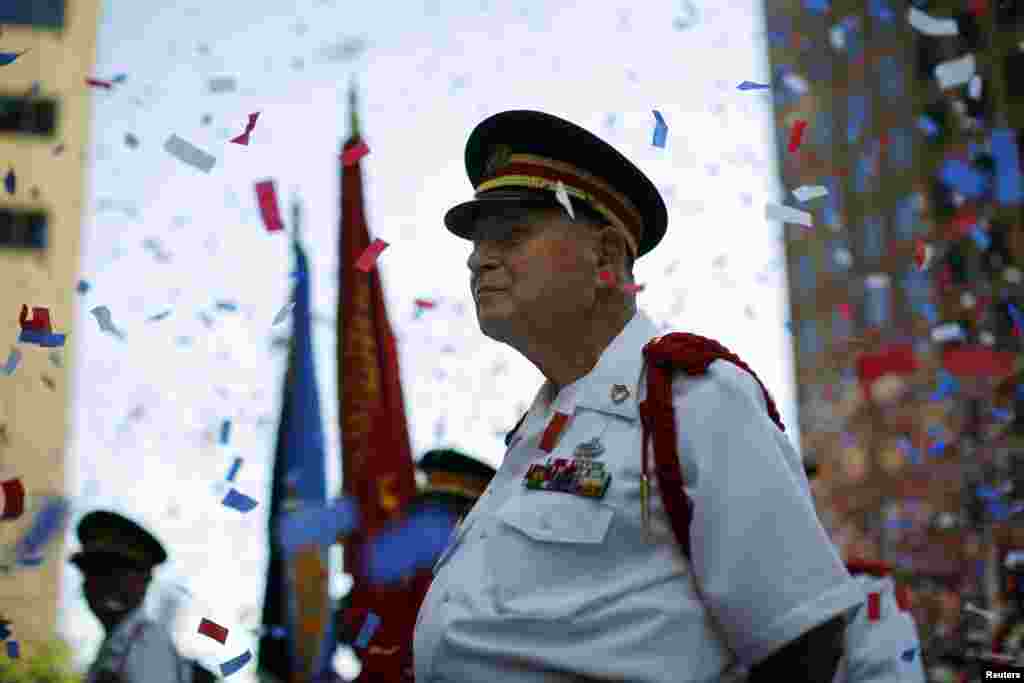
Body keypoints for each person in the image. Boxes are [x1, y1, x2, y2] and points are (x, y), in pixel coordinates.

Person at [413, 109, 865, 682]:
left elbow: (803, 639)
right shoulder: (537, 431)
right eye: (478, 243)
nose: (479, 258)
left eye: (511, 234)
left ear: (604, 257)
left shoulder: (692, 399)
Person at [70, 510, 190, 683]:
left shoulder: (147, 645)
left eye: (112, 571)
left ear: (144, 579)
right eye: (90, 569)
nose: (95, 583)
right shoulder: (118, 644)